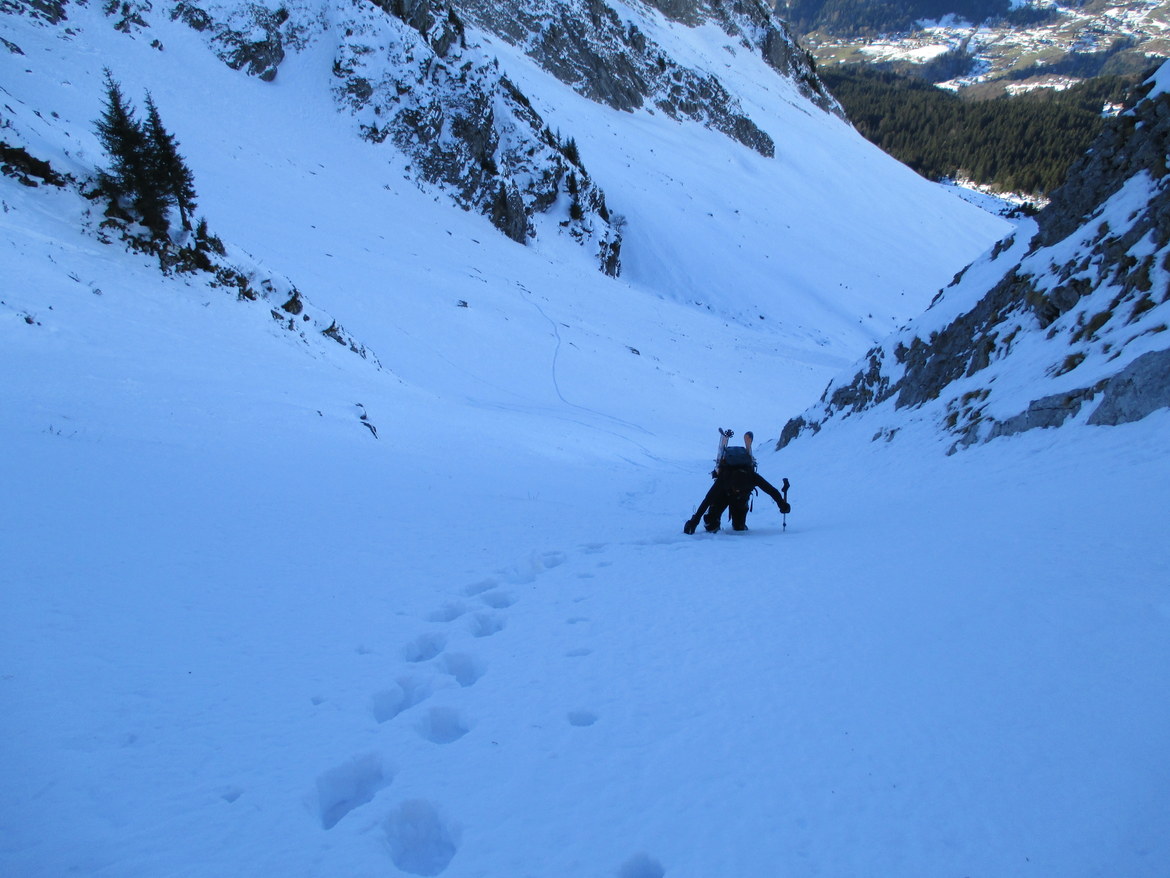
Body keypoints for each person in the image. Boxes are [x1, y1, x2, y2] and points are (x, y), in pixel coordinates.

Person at [683, 428, 790, 534]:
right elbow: (771, 490)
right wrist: (782, 504)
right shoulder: (737, 476)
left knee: (737, 527)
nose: (737, 490)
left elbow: (708, 499)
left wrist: (694, 522)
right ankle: (714, 522)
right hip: (731, 495)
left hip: (736, 495)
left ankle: (717, 522)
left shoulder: (742, 476)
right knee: (716, 524)